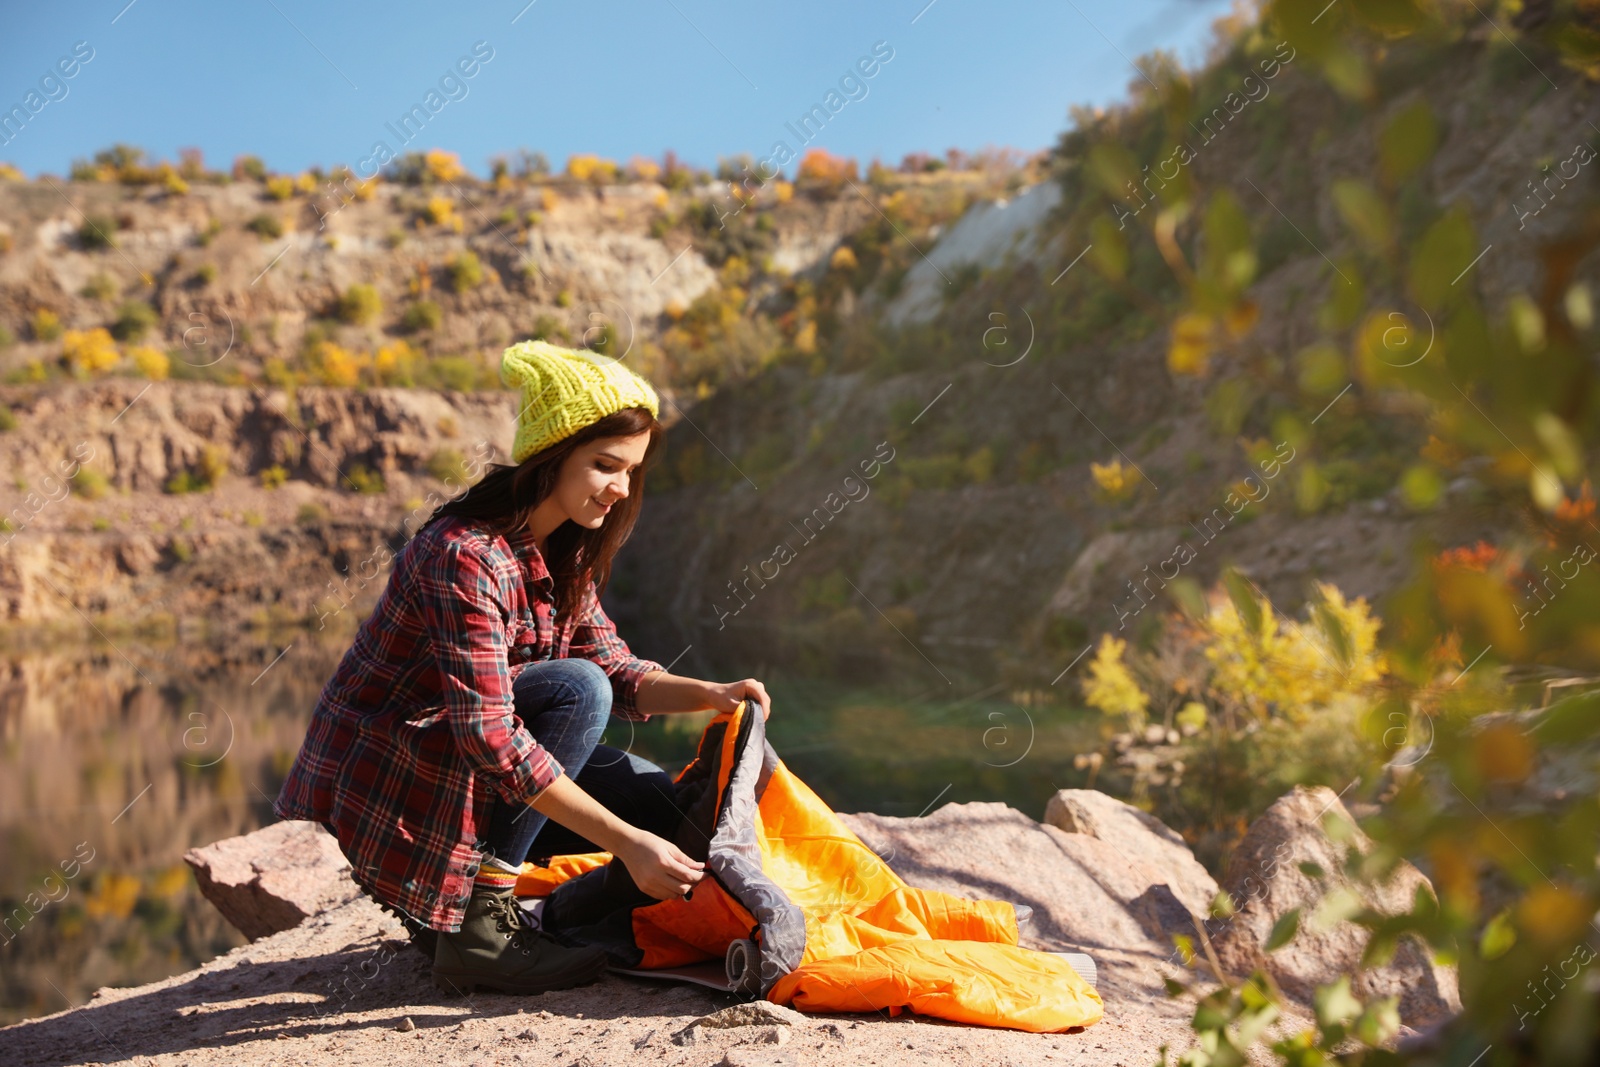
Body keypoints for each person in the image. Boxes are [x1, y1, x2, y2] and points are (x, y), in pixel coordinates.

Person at [273, 339, 772, 996]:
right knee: (577, 691)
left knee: (667, 811)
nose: (621, 489)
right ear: (551, 454)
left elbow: (620, 668)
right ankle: (479, 927)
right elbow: (491, 735)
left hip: (471, 770)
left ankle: (554, 916)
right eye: (604, 465)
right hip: (410, 783)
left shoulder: (563, 549)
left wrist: (711, 694)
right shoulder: (463, 555)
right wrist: (623, 843)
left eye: (631, 471)